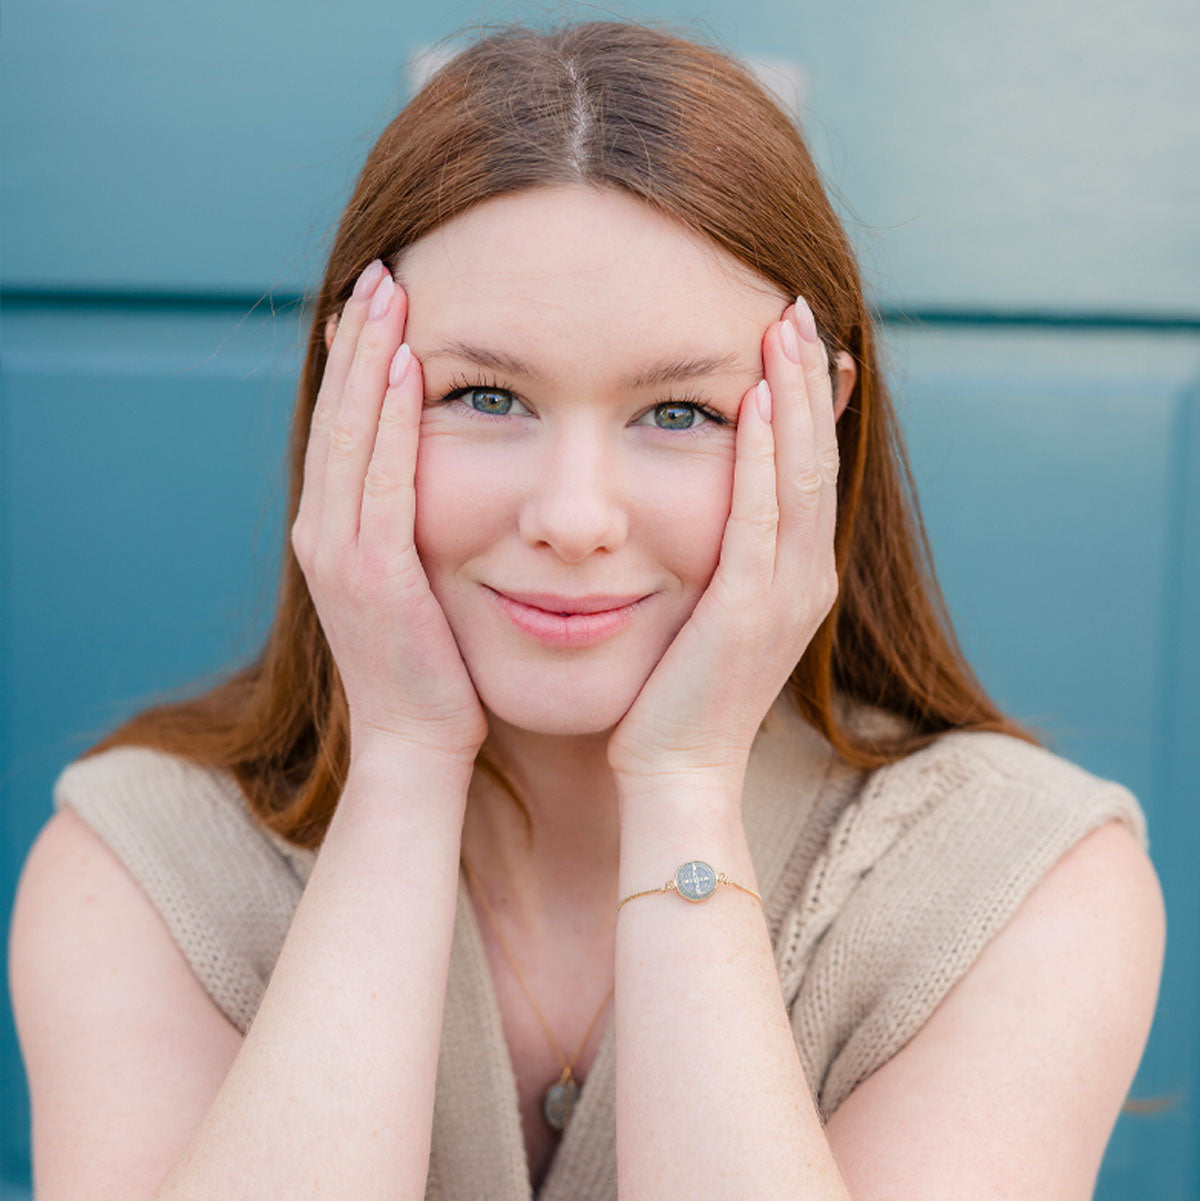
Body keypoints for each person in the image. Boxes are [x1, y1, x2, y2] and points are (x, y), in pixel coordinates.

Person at [9, 18, 1165, 1201]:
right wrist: (405, 767)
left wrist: (683, 787)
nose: (574, 516)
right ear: (351, 399)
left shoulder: (1023, 880)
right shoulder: (141, 866)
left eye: (679, 414)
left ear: (820, 428)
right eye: (486, 394)